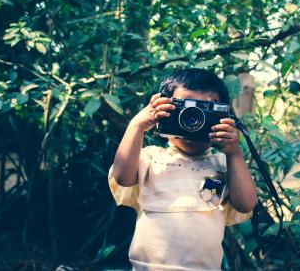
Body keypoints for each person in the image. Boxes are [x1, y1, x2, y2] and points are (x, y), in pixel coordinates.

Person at [108, 69, 257, 270]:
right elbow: (122, 177)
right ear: (162, 111)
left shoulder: (223, 165)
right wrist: (136, 125)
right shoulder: (152, 158)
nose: (193, 122)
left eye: (205, 112)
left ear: (222, 116)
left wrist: (235, 153)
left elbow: (246, 204)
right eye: (185, 110)